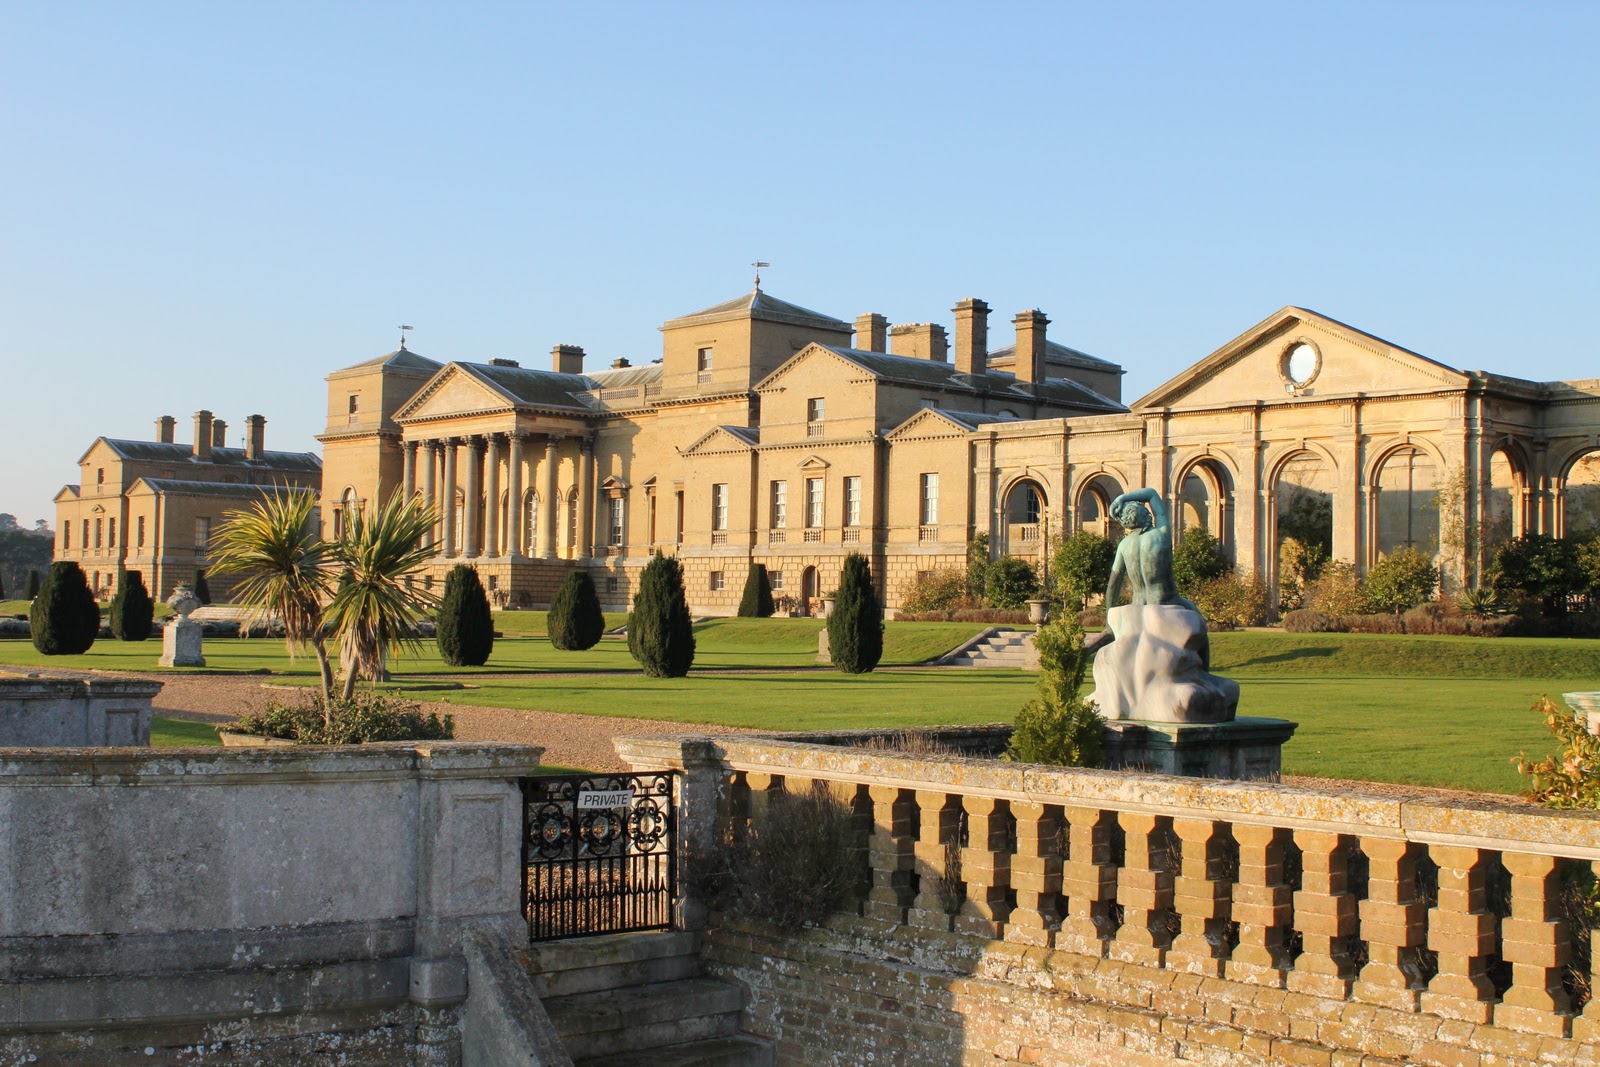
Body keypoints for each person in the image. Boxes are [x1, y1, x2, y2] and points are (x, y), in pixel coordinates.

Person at [1086, 487, 1207, 665]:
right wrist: (1122, 497)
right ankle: (1203, 674)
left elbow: (1113, 585)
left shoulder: (1124, 545)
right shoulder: (1161, 534)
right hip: (1166, 602)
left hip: (1138, 605)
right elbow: (1151, 494)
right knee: (1199, 624)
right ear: (1146, 515)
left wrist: (1109, 621)